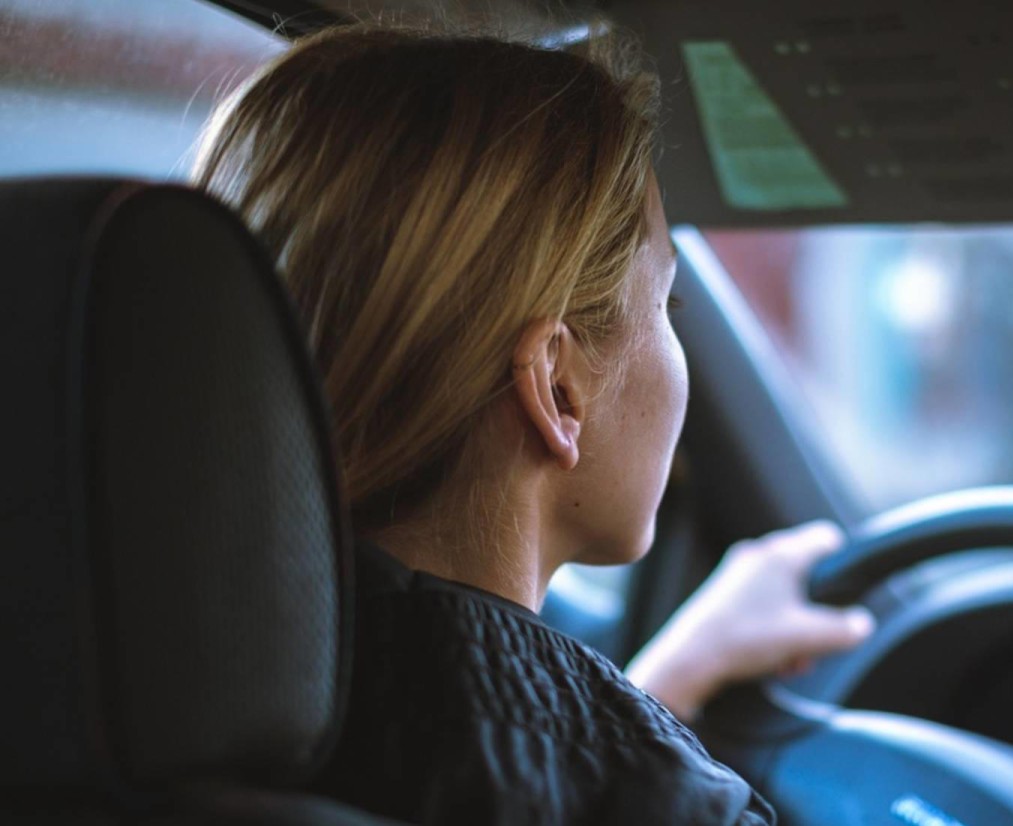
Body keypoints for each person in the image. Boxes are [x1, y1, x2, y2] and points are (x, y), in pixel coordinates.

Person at [195, 24, 873, 824]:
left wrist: (666, 684)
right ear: (556, 388)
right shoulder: (677, 810)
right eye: (668, 305)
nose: (676, 337)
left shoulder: (158, 691)